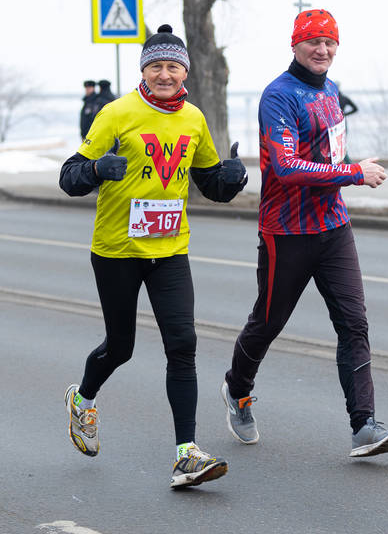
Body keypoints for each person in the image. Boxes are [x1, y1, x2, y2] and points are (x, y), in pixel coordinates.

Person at [59, 24, 248, 488]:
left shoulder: (193, 119)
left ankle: (187, 454)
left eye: (173, 67)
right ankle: (83, 400)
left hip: (170, 251)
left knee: (182, 345)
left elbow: (208, 183)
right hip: (116, 251)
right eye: (156, 66)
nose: (165, 74)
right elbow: (69, 177)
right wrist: (98, 169)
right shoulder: (116, 113)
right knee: (120, 347)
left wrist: (231, 179)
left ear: (184, 72)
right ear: (144, 69)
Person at [220, 9, 388, 458]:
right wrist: (353, 173)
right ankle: (237, 389)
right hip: (286, 231)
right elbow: (287, 167)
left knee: (354, 322)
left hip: (333, 227)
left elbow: (324, 153)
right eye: (313, 42)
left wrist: (349, 169)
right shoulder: (278, 97)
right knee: (269, 322)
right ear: (295, 46)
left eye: (330, 43)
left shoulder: (331, 91)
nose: (322, 50)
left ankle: (364, 426)